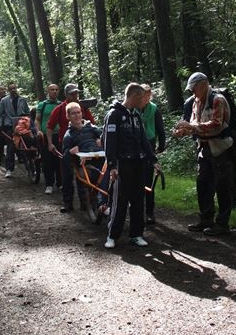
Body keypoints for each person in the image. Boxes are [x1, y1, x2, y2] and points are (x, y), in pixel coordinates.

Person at [173, 72, 234, 236]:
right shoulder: (195, 102)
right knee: (203, 184)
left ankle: (222, 224)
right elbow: (195, 124)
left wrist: (191, 127)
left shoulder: (218, 100)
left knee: (222, 186)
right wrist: (183, 131)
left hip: (220, 148)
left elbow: (216, 123)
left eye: (194, 88)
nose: (193, 91)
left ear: (204, 84)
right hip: (203, 148)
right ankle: (206, 219)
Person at [103, 83, 160, 249]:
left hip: (138, 163)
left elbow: (144, 140)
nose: (143, 101)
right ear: (134, 96)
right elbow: (109, 141)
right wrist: (112, 164)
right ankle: (112, 235)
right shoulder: (113, 114)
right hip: (122, 164)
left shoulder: (136, 116)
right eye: (141, 98)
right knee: (119, 200)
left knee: (138, 199)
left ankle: (136, 234)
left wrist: (153, 160)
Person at [46, 83, 95, 212]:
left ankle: (86, 202)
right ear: (67, 95)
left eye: (76, 93)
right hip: (67, 144)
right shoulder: (60, 109)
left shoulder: (82, 108)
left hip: (83, 144)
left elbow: (92, 124)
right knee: (67, 174)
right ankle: (68, 203)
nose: (75, 96)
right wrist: (50, 143)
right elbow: (50, 126)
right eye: (72, 93)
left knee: (84, 171)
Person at [139, 84, 166, 224]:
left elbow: (160, 129)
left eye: (148, 95)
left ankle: (149, 211)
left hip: (149, 145)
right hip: (135, 146)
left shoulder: (154, 109)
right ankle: (135, 208)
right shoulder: (133, 108)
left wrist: (161, 146)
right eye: (144, 95)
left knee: (148, 181)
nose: (146, 97)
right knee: (135, 179)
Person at [0, 82, 30, 178]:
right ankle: (9, 169)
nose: (13, 90)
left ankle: (30, 167)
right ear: (8, 90)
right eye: (11, 89)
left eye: (14, 88)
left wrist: (28, 121)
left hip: (22, 125)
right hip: (9, 125)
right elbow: (0, 114)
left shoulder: (22, 100)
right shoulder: (4, 100)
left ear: (16, 88)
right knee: (11, 147)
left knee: (25, 146)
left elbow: (27, 112)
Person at [35, 84, 62, 194]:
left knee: (59, 160)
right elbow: (37, 119)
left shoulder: (61, 104)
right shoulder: (42, 104)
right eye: (52, 90)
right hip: (45, 136)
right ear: (48, 91)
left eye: (56, 90)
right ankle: (49, 184)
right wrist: (38, 130)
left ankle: (60, 183)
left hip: (58, 135)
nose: (54, 91)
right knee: (47, 160)